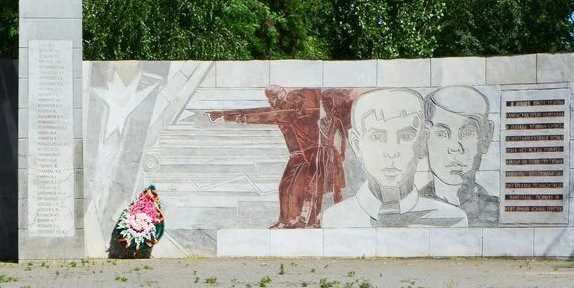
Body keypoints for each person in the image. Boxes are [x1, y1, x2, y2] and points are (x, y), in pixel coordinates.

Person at [320, 88, 467, 228]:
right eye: (377, 137)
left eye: (406, 136)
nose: (391, 152)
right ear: (357, 145)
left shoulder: (452, 220)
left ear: (423, 142)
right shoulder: (334, 219)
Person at [207, 86, 346, 228]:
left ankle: (294, 221)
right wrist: (224, 114)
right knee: (287, 188)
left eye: (273, 99)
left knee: (294, 188)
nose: (270, 103)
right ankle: (289, 221)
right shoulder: (285, 111)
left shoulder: (292, 113)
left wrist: (245, 118)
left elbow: (268, 116)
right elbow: (261, 111)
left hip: (307, 156)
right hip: (298, 156)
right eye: (269, 100)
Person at [421, 86, 499, 225]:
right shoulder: (408, 211)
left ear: (486, 137)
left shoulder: (500, 213)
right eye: (441, 133)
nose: (455, 148)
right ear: (425, 137)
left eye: (468, 132)